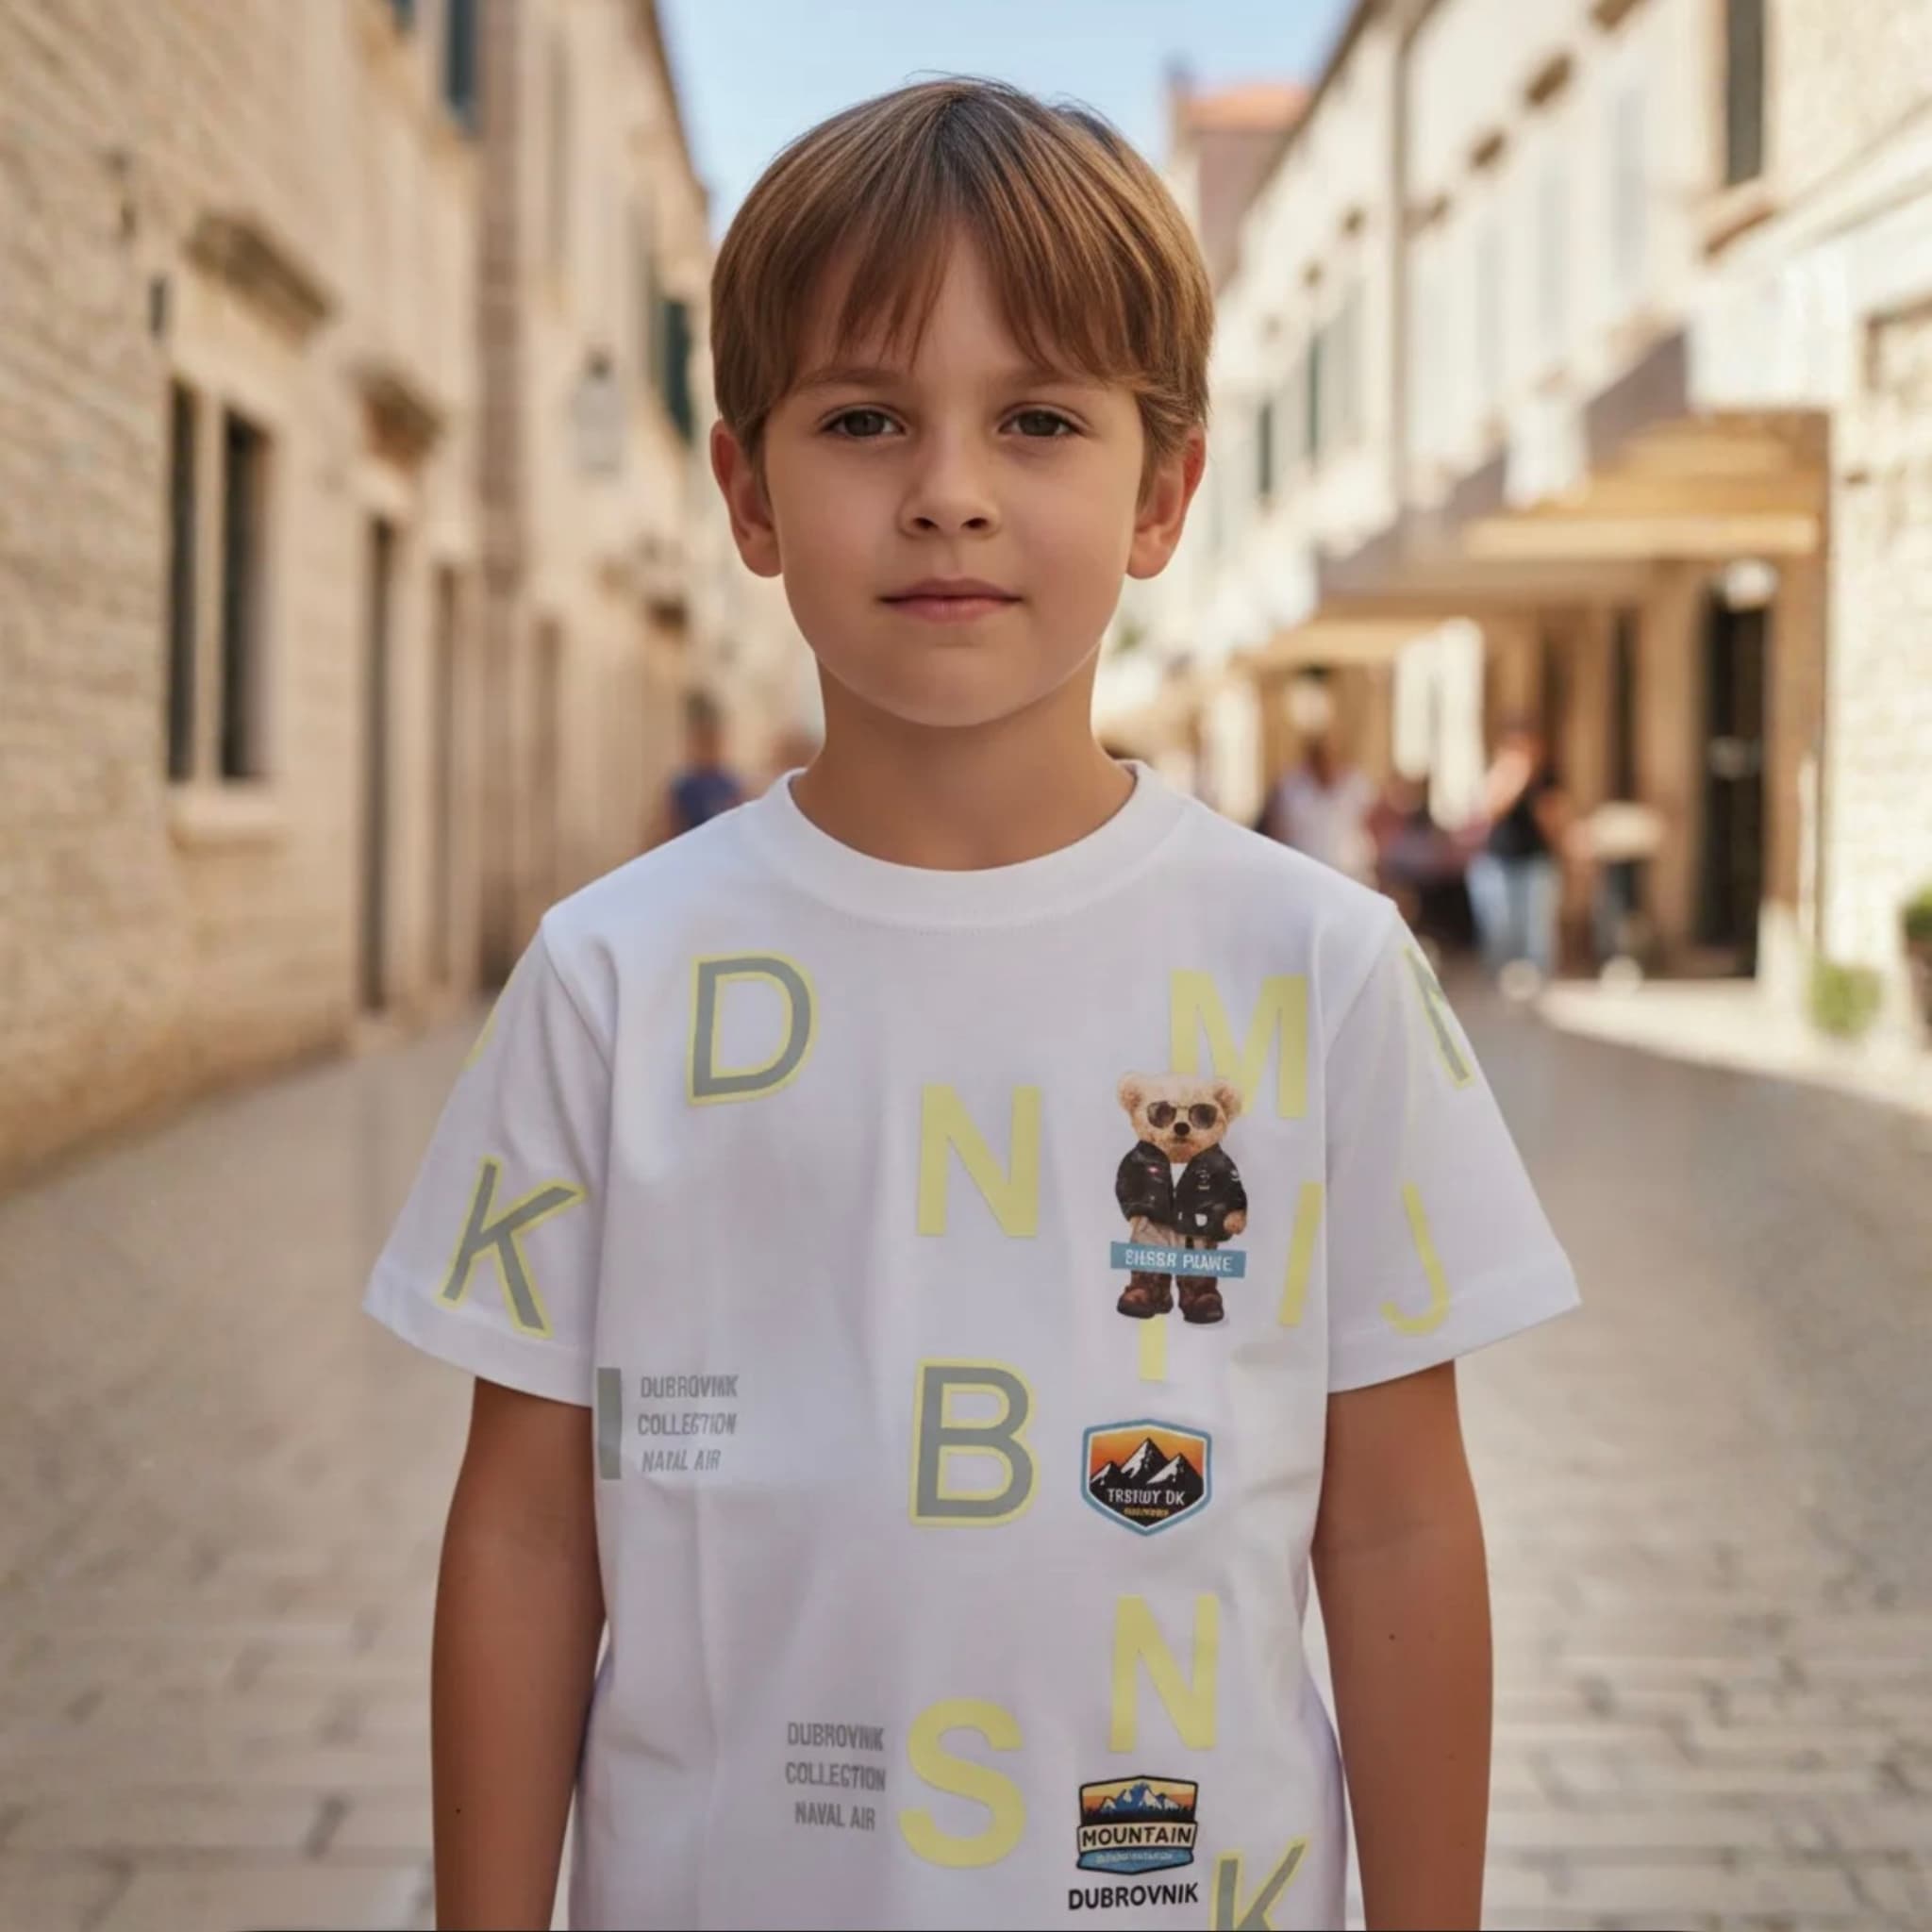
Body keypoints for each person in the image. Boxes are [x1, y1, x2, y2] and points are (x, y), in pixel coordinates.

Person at [361, 79, 1578, 1932]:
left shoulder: (1317, 970)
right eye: (864, 418)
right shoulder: (610, 977)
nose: (947, 486)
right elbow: (527, 1530)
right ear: (749, 492)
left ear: (1162, 490)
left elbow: (1397, 1517)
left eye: (1036, 418)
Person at [1466, 719, 1568, 994]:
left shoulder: (1547, 779)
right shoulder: (1499, 774)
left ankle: (1537, 981)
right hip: (1499, 861)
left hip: (1535, 862)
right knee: (1500, 925)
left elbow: (1555, 824)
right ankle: (1501, 979)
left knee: (1537, 927)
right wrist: (1514, 780)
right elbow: (1489, 811)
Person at [1260, 732, 1377, 883]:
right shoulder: (1290, 788)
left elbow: (1375, 824)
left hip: (1352, 874)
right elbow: (1275, 828)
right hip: (1305, 874)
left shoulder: (1357, 786)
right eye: (1322, 758)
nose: (1328, 764)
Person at [661, 689, 745, 838]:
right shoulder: (684, 785)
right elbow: (669, 826)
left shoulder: (730, 784)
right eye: (703, 741)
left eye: (712, 741)